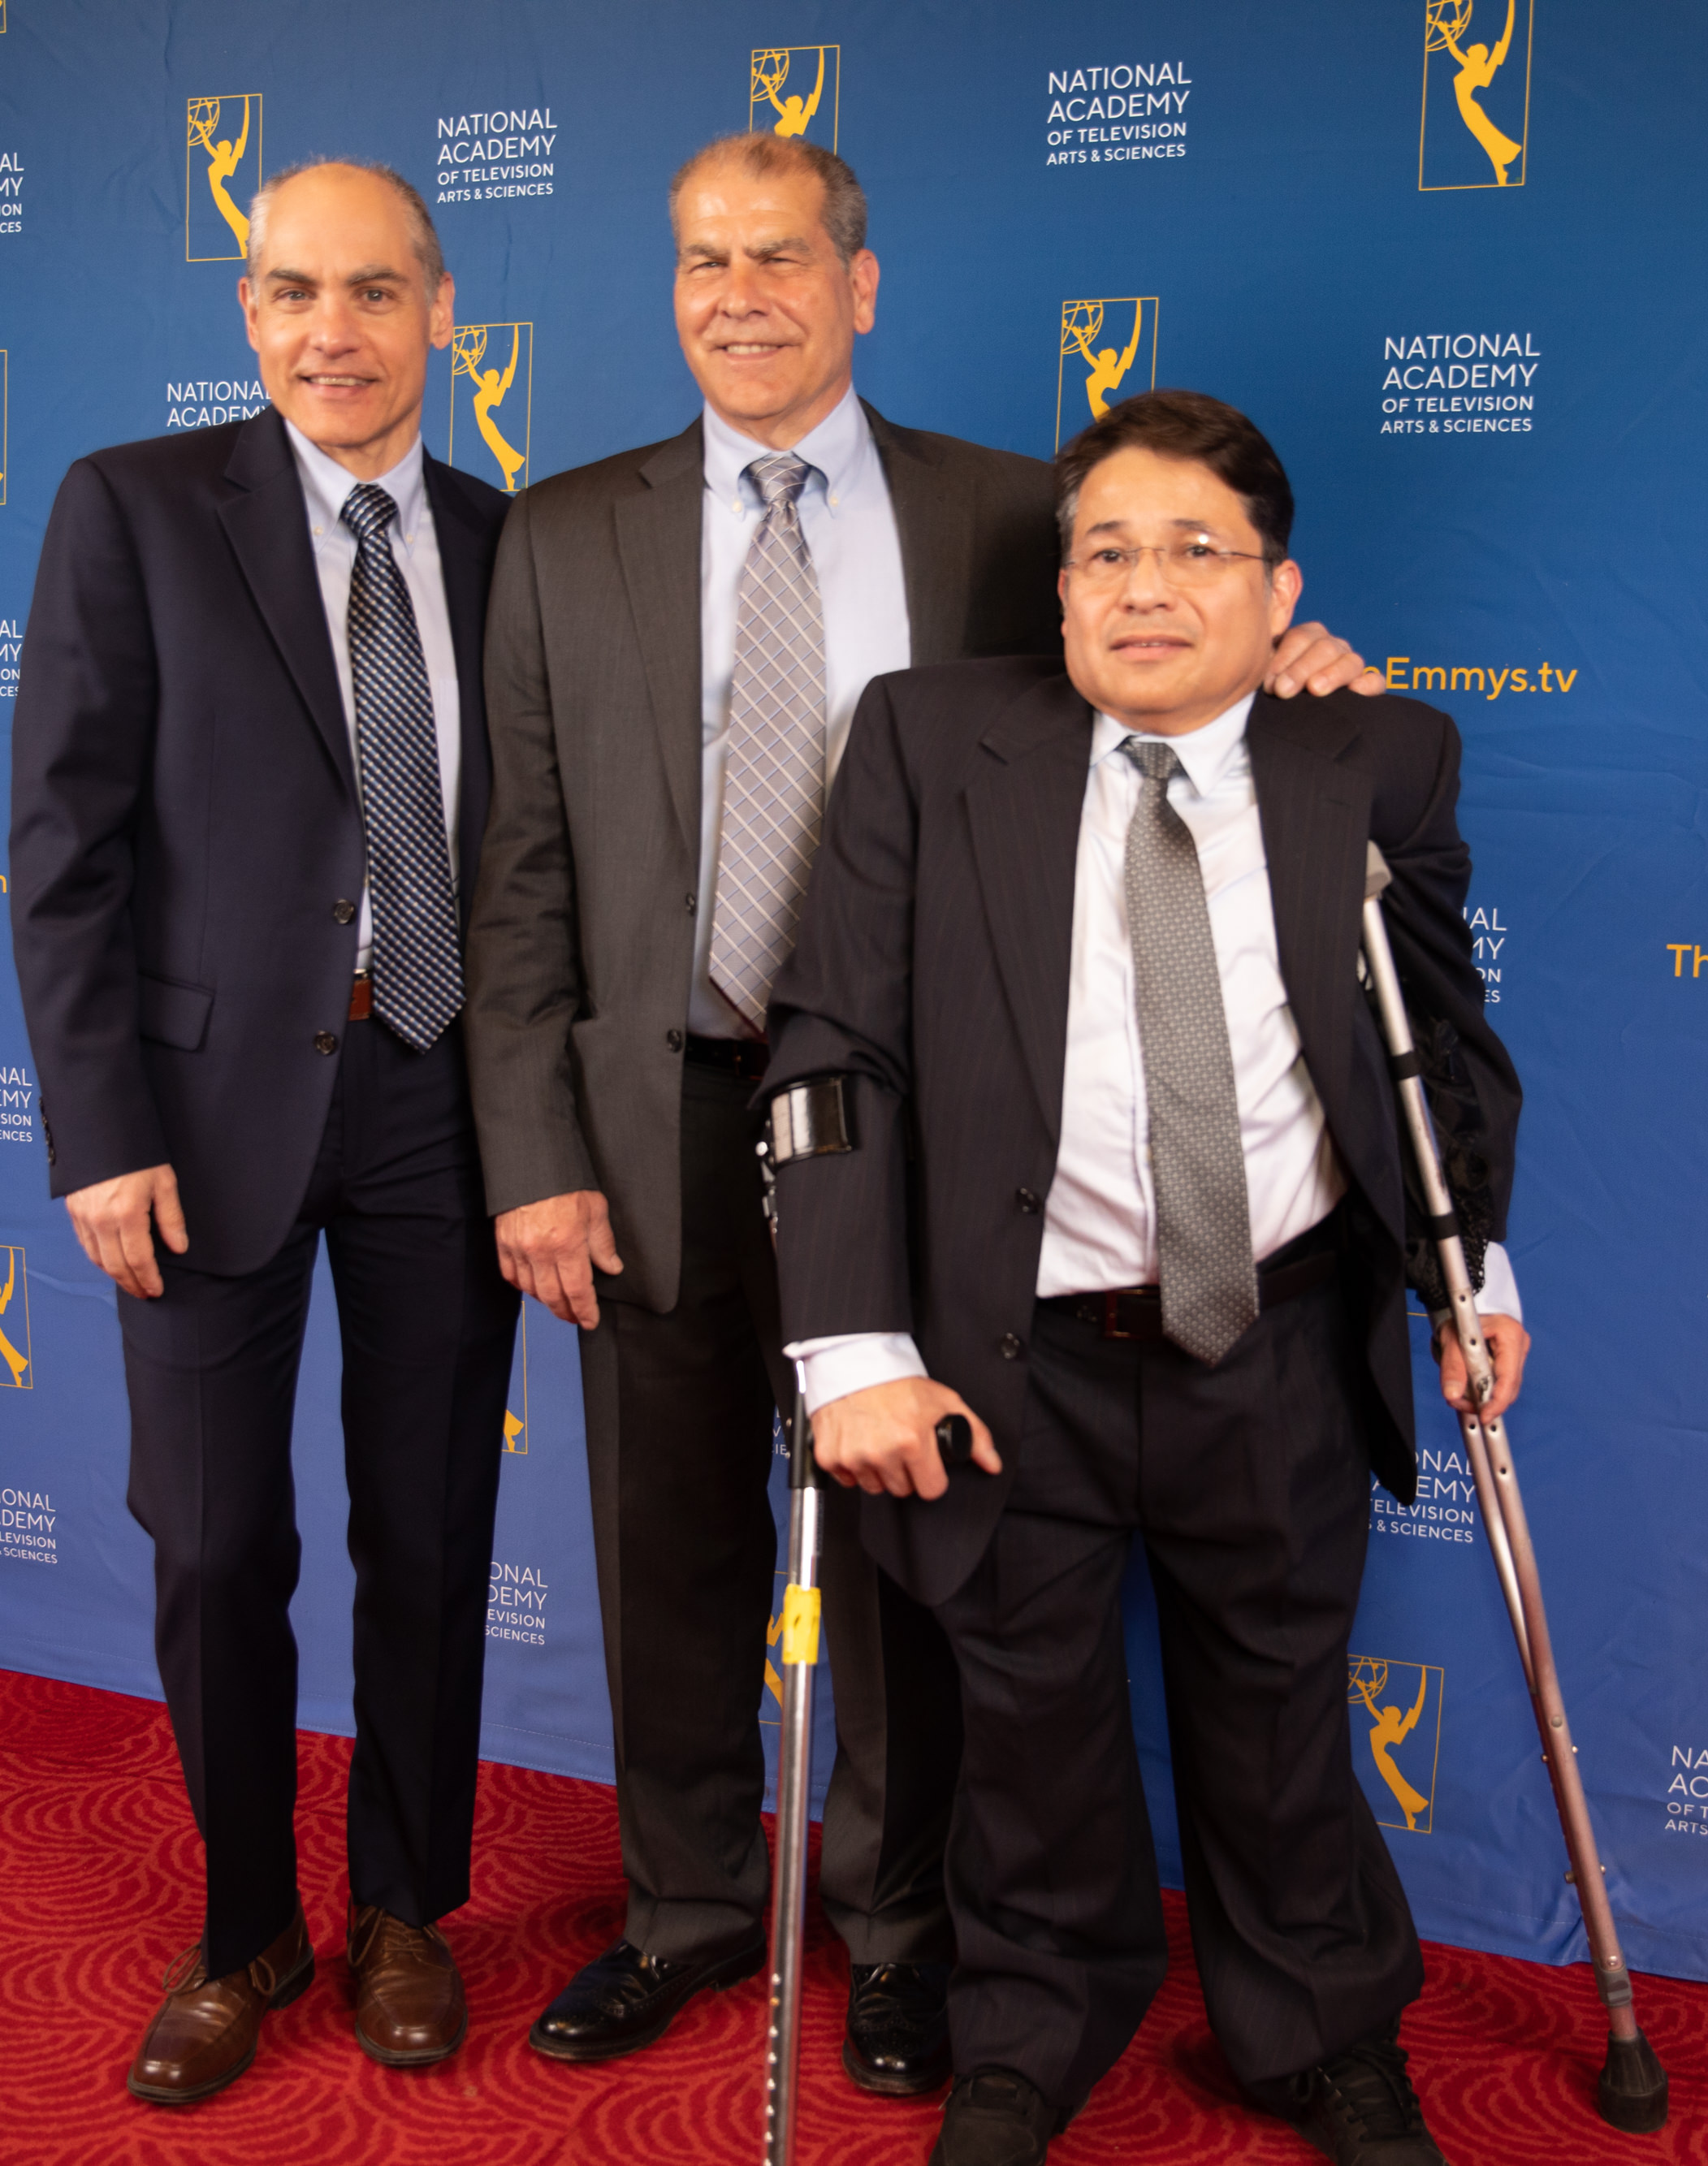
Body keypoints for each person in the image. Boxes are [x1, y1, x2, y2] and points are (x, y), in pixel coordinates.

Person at [466, 136, 1386, 2096]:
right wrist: (533, 1149)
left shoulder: (1000, 510)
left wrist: (1293, 664)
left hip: (931, 1120)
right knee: (662, 1539)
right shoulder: (561, 530)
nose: (739, 294)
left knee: (915, 1537)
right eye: (702, 259)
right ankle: (688, 1903)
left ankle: (899, 1928)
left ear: (859, 282)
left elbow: (1156, 657)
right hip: (659, 1110)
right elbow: (518, 870)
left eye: (779, 256)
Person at [761, 388, 1529, 2166]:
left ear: (1279, 590)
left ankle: (1319, 2025)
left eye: (1197, 550)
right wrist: (849, 1345)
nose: (1145, 586)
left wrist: (1466, 1268)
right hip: (1003, 1352)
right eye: (1104, 551)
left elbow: (1440, 1048)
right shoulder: (927, 741)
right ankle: (1027, 2029)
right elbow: (832, 1046)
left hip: (1273, 1336)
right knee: (1024, 1727)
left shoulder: (1378, 757)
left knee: (1279, 1719)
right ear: (1060, 591)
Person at [7, 158, 517, 2107]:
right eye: (294, 290)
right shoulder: (132, 508)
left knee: (430, 1529)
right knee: (216, 1541)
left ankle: (402, 1905)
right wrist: (96, 1128)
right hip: (201, 1116)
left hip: (441, 1094)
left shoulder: (506, 540)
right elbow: (63, 844)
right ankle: (243, 1926)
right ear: (247, 311)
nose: (333, 330)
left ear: (442, 311)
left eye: (374, 290)